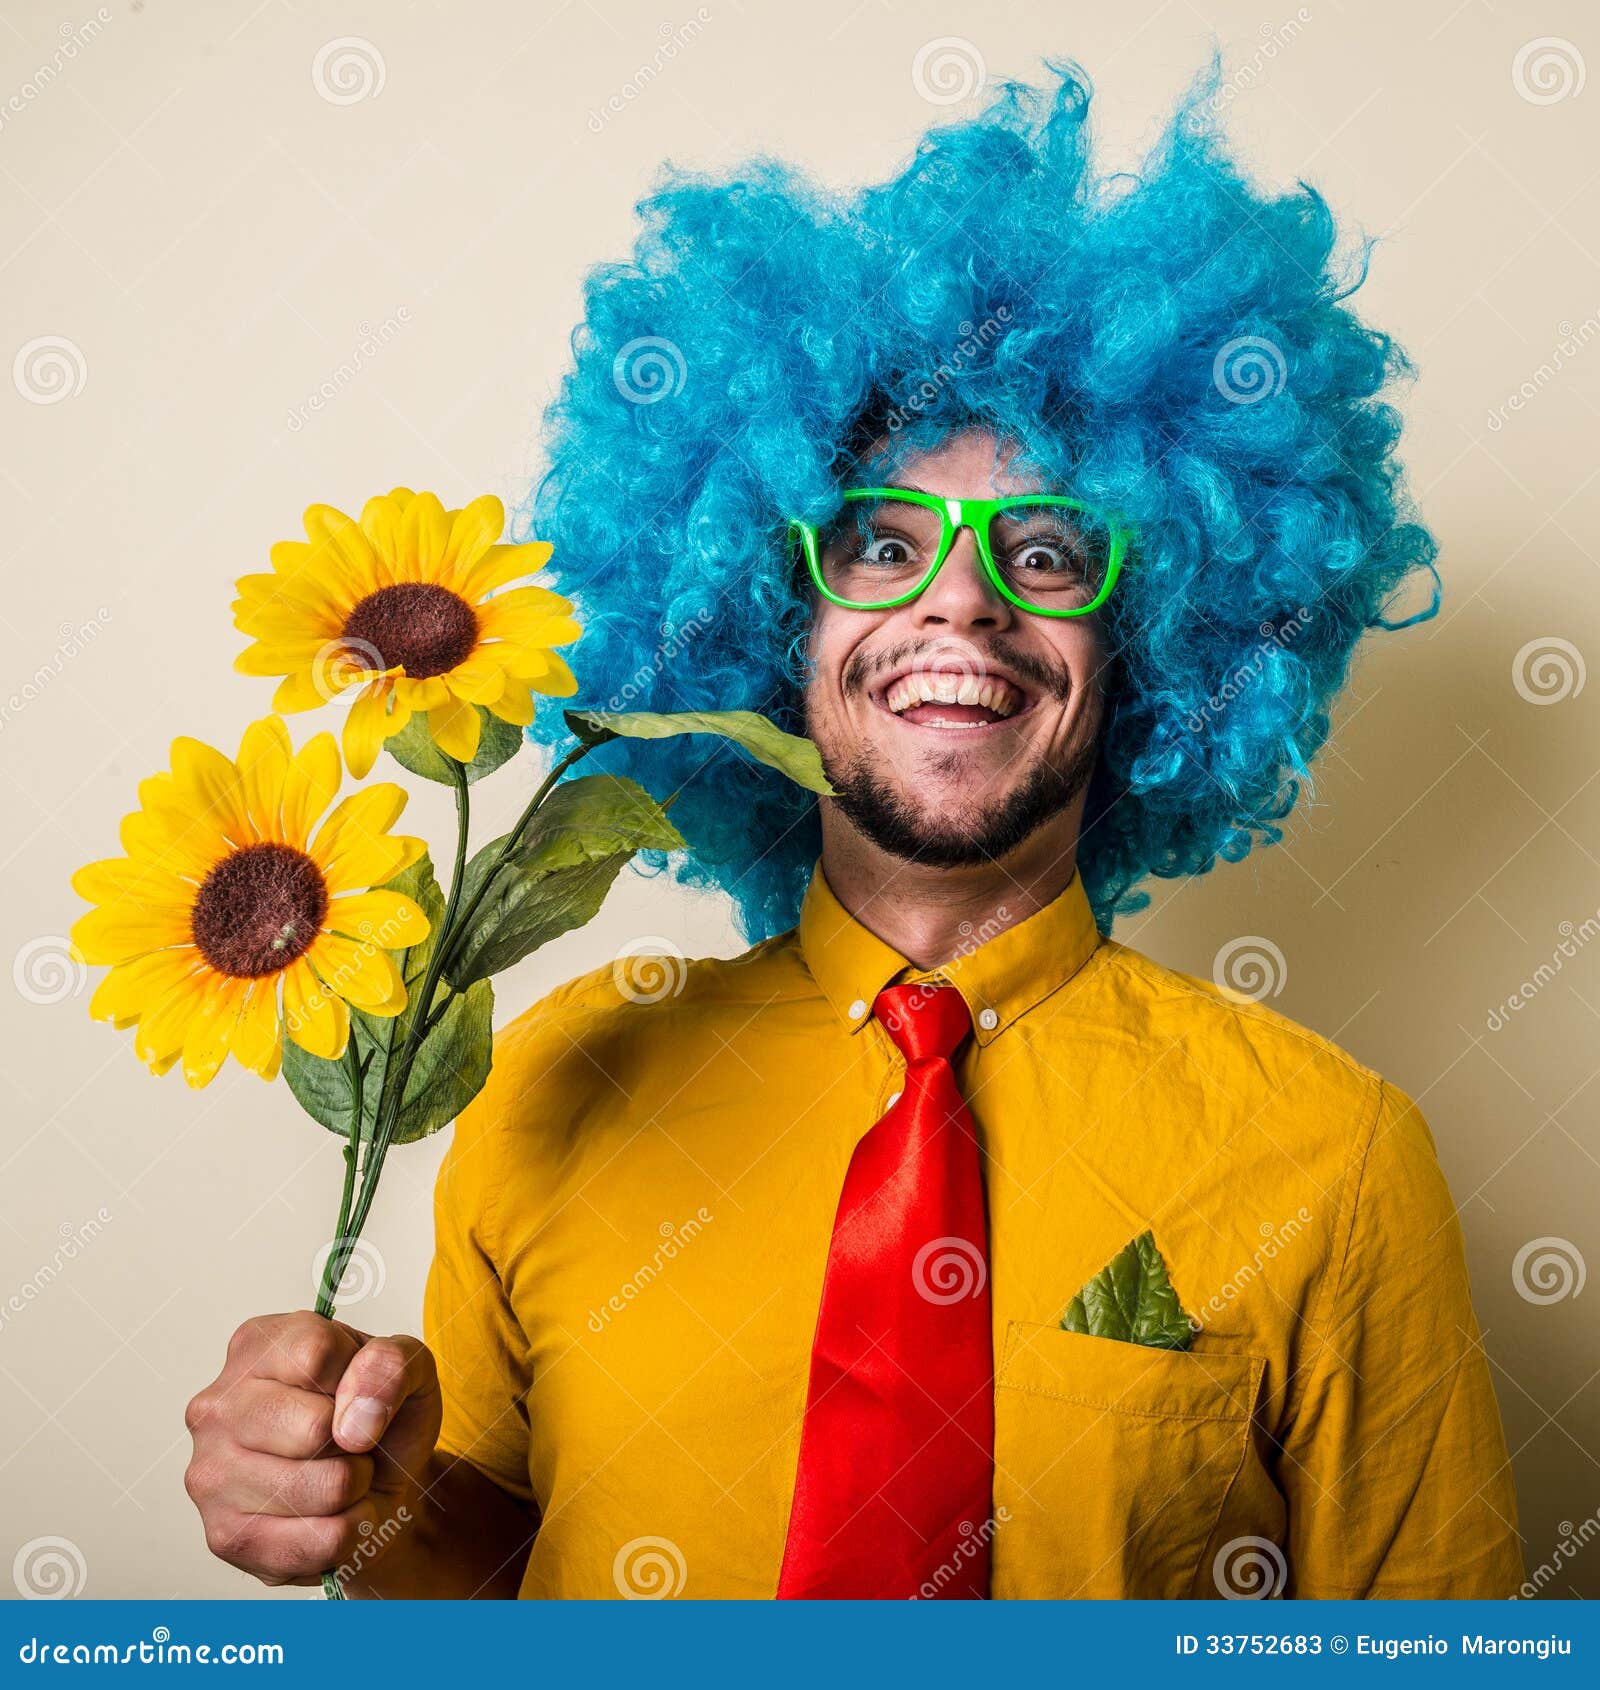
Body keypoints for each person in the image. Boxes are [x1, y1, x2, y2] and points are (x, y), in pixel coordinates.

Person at [183, 59, 1522, 1599]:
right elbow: (485, 1591)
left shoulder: (1336, 1156)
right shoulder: (558, 1084)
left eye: (1047, 548)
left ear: (1159, 633)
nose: (963, 594)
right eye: (882, 543)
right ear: (764, 618)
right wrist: (366, 1503)